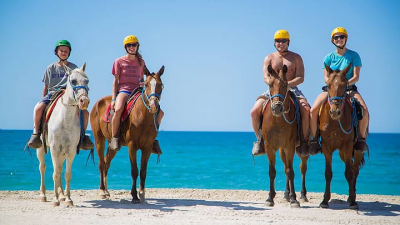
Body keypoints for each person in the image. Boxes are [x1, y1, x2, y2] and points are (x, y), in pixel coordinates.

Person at [309, 27, 369, 154]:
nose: (339, 39)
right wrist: (334, 84)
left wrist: (345, 84)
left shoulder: (354, 55)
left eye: (342, 37)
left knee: (364, 109)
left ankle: (361, 139)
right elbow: (326, 78)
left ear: (346, 39)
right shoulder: (328, 57)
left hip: (349, 88)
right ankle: (314, 140)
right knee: (313, 110)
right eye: (336, 37)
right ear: (333, 40)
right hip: (331, 89)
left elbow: (356, 76)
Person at [250, 30, 310, 156]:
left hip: (292, 88)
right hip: (272, 90)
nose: (280, 43)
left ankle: (304, 141)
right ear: (274, 43)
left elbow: (301, 77)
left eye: (283, 41)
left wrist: (287, 84)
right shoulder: (269, 58)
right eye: (278, 41)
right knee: (254, 112)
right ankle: (260, 141)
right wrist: (274, 84)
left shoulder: (296, 57)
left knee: (306, 110)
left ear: (288, 42)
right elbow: (265, 77)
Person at [27, 40, 94, 150]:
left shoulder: (74, 67)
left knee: (85, 112)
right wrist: (43, 99)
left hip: (70, 94)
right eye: (61, 51)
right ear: (57, 52)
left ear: (69, 53)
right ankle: (36, 134)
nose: (63, 53)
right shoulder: (50, 68)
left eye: (66, 51)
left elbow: (79, 82)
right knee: (38, 108)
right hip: (53, 93)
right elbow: (46, 86)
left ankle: (83, 136)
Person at [110, 35, 164, 154]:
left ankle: (152, 139)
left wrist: (147, 83)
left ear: (137, 46)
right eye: (129, 45)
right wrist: (114, 98)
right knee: (118, 110)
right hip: (124, 90)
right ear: (126, 47)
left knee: (160, 112)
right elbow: (115, 82)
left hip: (138, 91)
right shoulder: (118, 61)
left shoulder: (141, 62)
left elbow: (141, 79)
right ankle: (115, 138)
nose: (132, 47)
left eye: (134, 45)